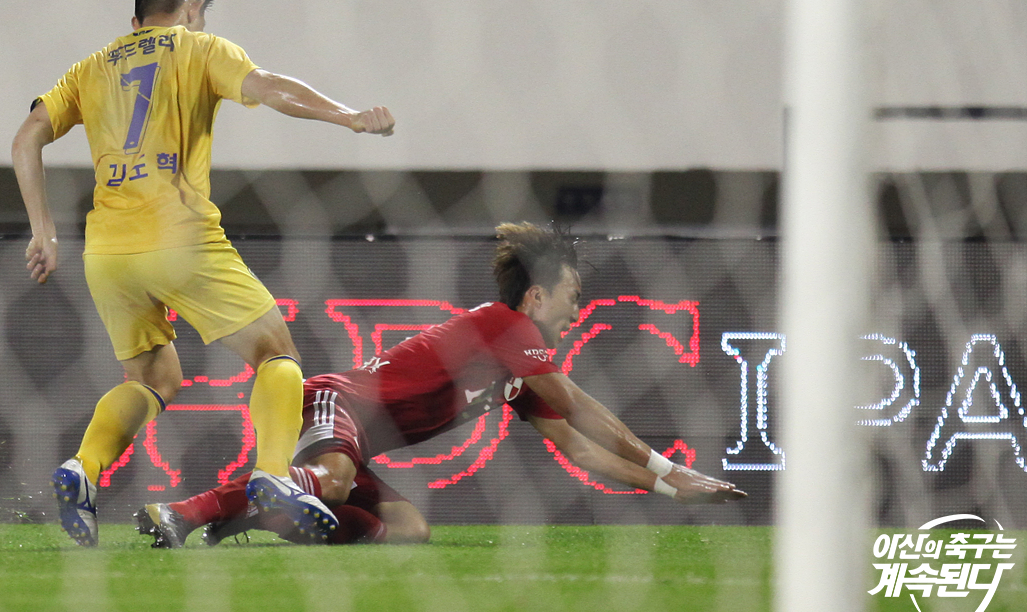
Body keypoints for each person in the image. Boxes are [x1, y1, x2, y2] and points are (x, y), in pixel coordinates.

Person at [12, 0, 395, 547]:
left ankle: (83, 468)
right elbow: (270, 87)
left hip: (106, 253)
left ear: (137, 14)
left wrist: (44, 230)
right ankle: (274, 476)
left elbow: (27, 137)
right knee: (275, 351)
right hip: (180, 238)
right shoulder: (199, 48)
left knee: (154, 376)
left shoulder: (90, 68)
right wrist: (347, 116)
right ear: (191, 6)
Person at [135, 222, 747, 547]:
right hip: (333, 401)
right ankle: (181, 512)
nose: (577, 310)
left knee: (410, 530)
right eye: (572, 296)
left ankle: (261, 516)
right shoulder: (507, 325)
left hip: (355, 437)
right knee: (338, 481)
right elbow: (577, 405)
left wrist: (668, 492)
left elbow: (580, 449)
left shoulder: (517, 370)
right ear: (536, 296)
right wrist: (671, 469)